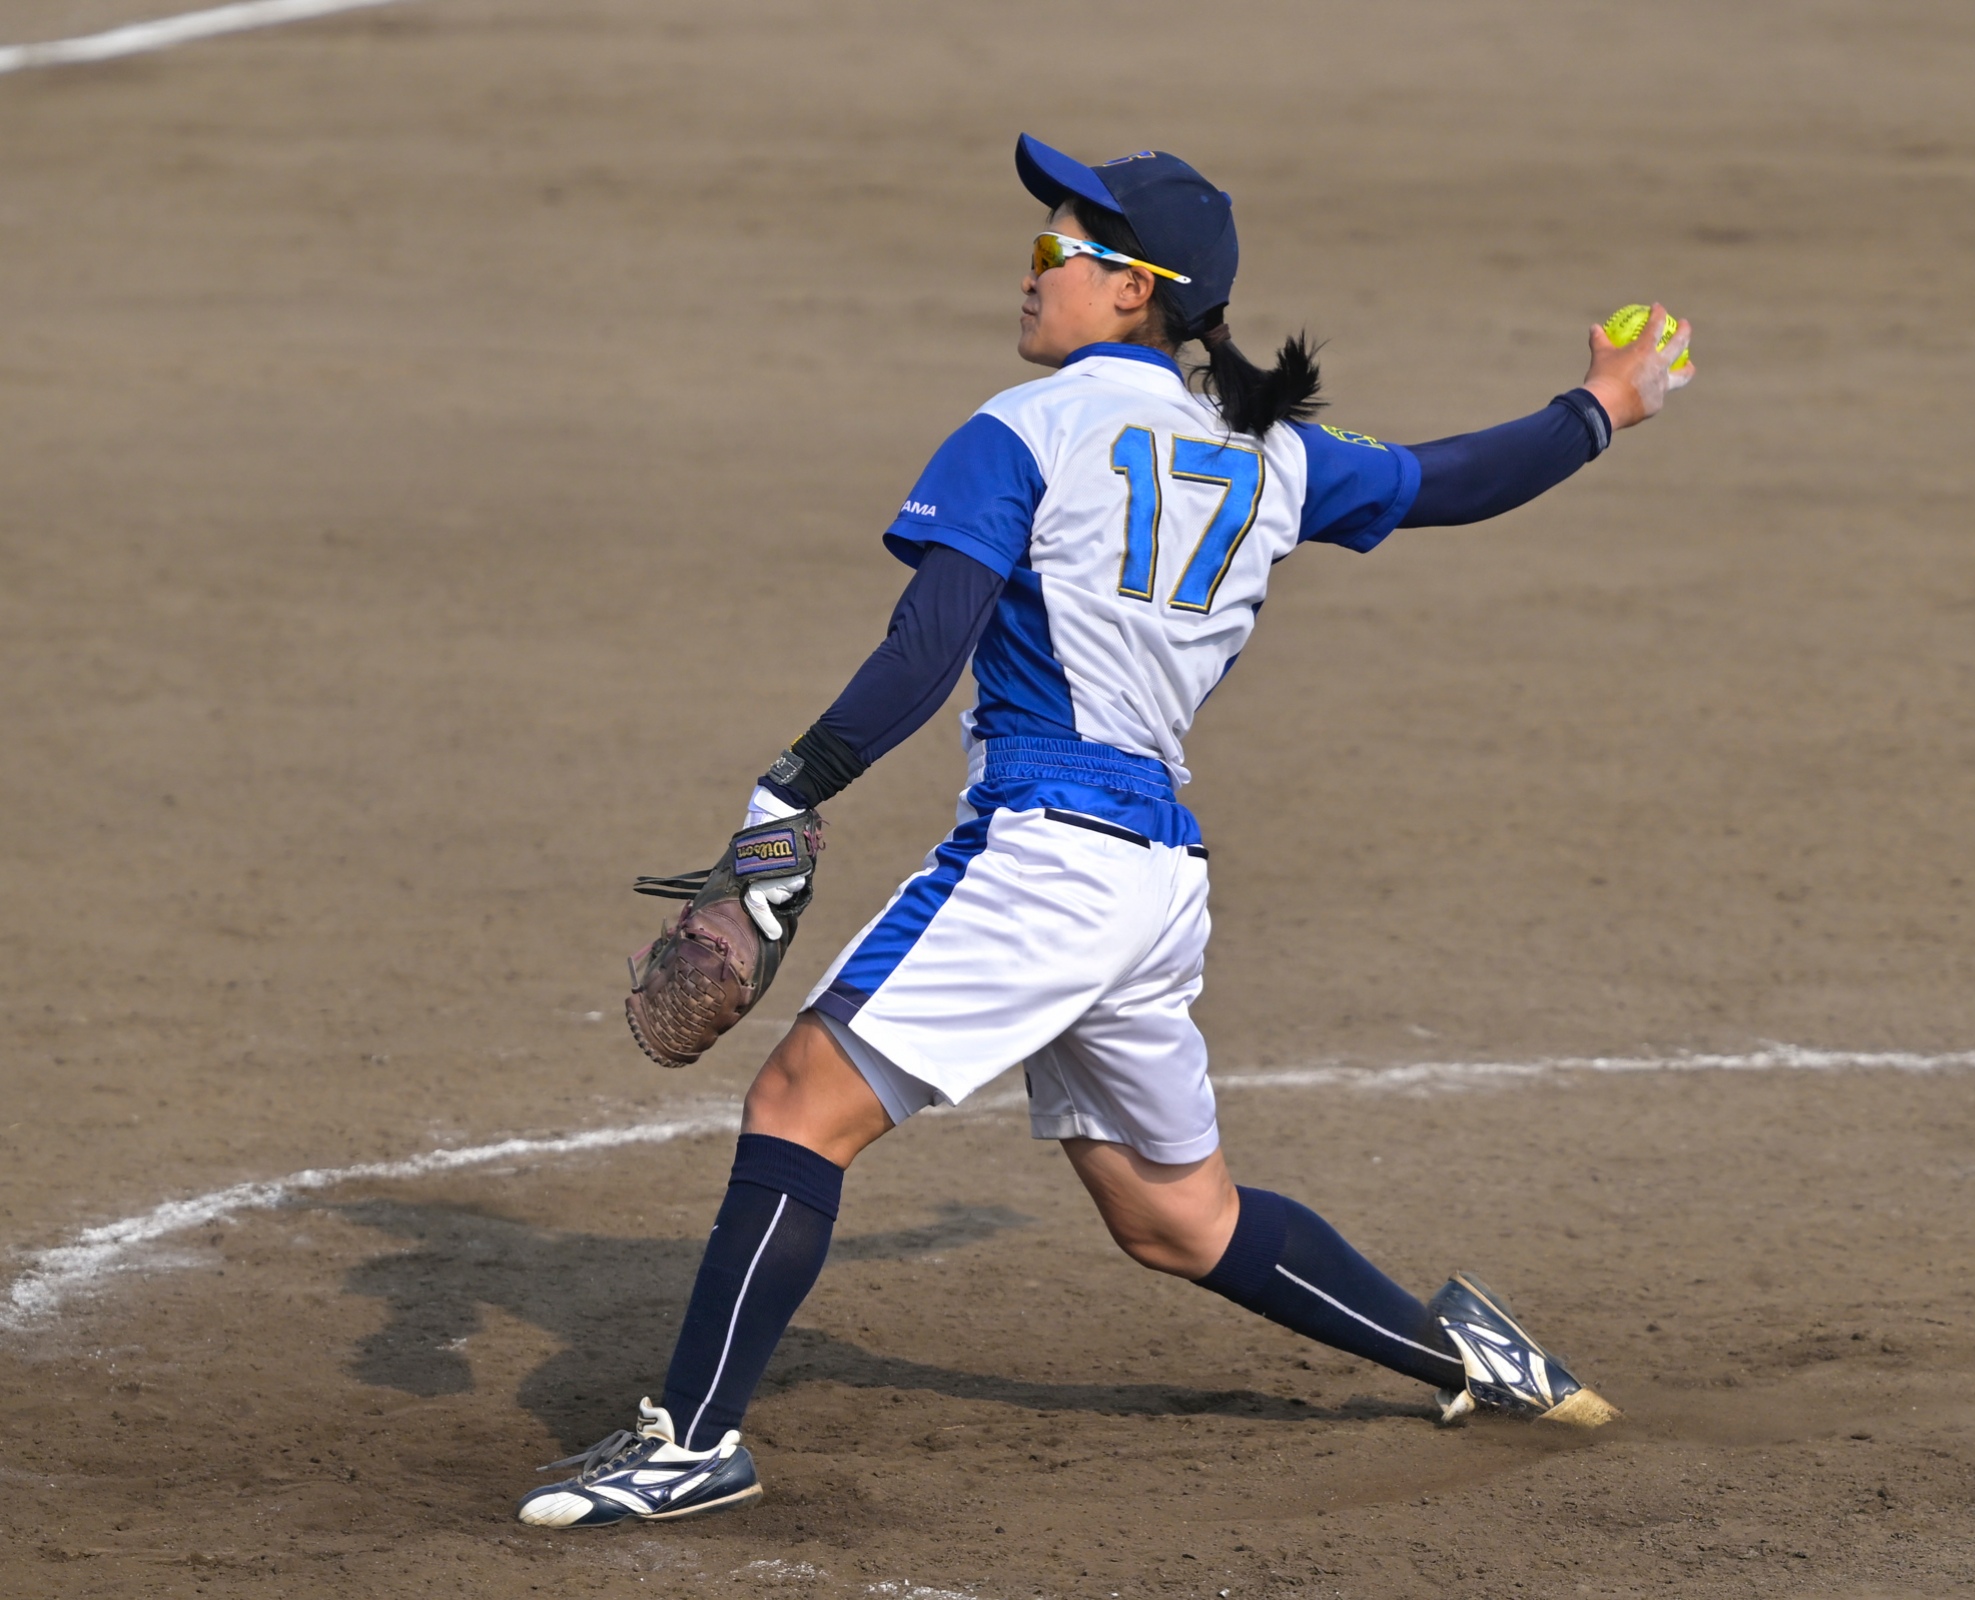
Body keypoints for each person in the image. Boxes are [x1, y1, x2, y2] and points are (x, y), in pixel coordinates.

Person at [515, 135, 1694, 1528]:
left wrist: (793, 788)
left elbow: (927, 647)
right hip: (1153, 880)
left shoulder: (1026, 429)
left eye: (1052, 252)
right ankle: (1470, 1361)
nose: (1027, 277)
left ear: (1135, 288)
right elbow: (1453, 477)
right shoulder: (1276, 454)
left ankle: (691, 1443)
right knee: (1175, 1218)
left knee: (796, 1108)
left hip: (1047, 853)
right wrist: (1604, 404)